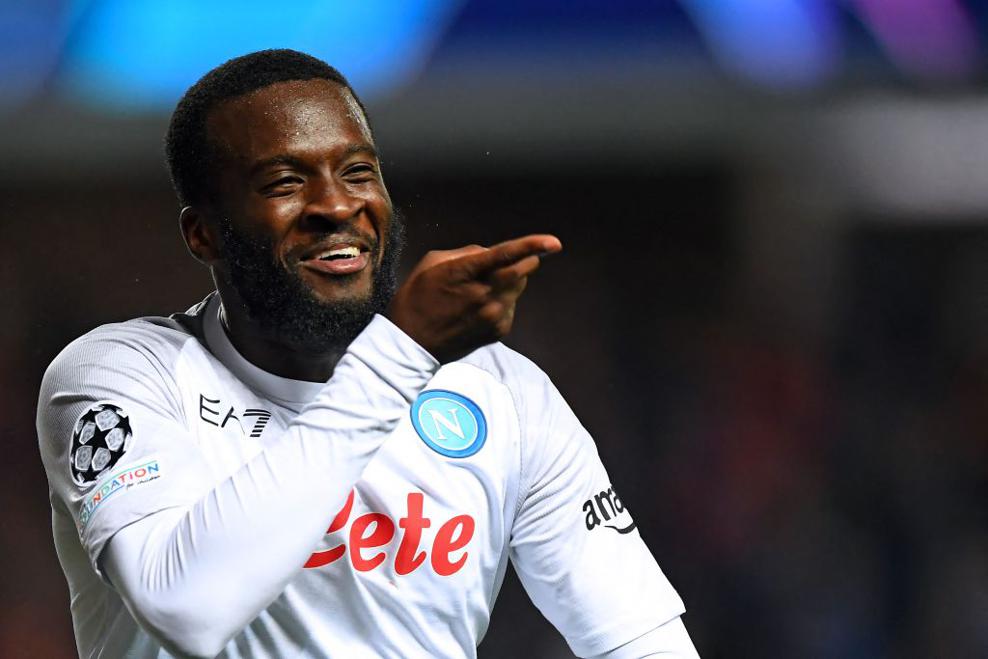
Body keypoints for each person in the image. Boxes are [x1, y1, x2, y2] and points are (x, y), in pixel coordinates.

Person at [37, 49, 698, 658]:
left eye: (357, 171)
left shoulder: (501, 391)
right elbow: (184, 608)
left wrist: (401, 355)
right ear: (203, 233)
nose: (336, 205)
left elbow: (642, 641)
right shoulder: (120, 377)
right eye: (284, 182)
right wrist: (398, 354)